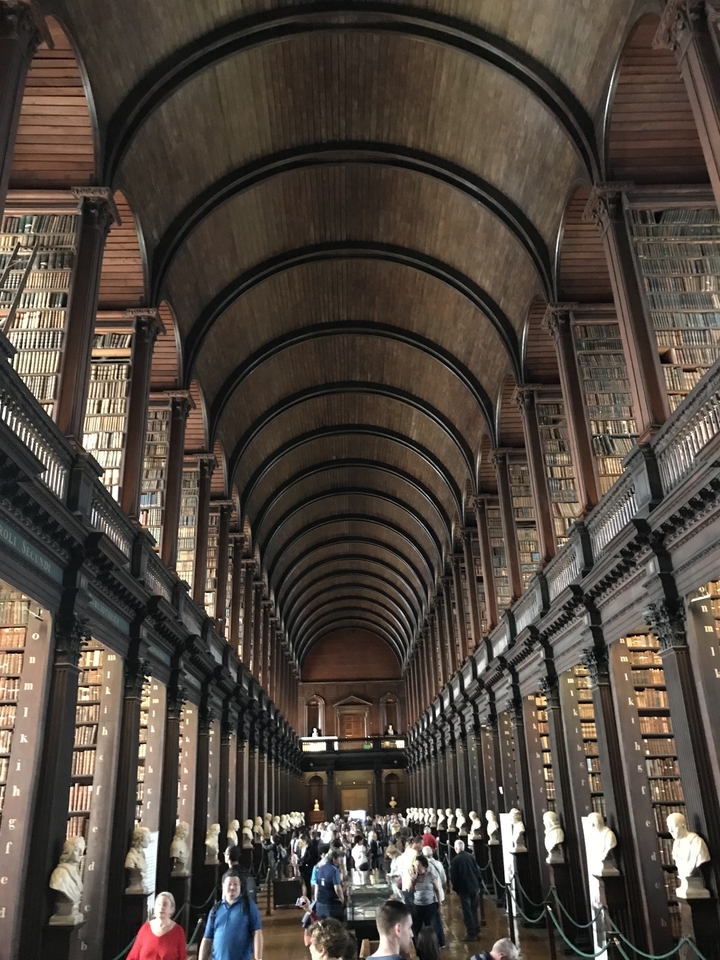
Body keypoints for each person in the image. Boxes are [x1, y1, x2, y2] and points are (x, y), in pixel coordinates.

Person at [198, 870, 263, 960]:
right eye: (229, 884)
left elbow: (257, 932)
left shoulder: (248, 906)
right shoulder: (215, 909)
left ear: (240, 886)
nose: (232, 887)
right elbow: (207, 938)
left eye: (235, 884)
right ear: (223, 886)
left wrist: (258, 958)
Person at [127, 891, 187, 960]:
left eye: (165, 904)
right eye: (159, 904)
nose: (161, 907)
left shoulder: (178, 931)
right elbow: (133, 956)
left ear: (171, 909)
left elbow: (182, 957)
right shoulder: (145, 929)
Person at [408, 855, 444, 948]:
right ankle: (417, 946)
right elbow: (409, 890)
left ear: (424, 866)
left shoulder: (431, 875)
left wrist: (439, 904)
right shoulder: (414, 877)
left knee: (431, 926)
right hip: (418, 905)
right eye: (415, 865)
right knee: (416, 927)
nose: (417, 868)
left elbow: (437, 890)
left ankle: (433, 945)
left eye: (419, 866)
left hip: (429, 905)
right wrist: (413, 880)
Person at [450, 838, 481, 942]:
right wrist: (479, 884)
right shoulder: (471, 857)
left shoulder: (455, 860)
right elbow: (477, 871)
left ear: (456, 848)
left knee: (467, 911)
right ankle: (476, 930)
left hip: (464, 889)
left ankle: (471, 933)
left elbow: (454, 877)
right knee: (474, 910)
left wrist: (456, 889)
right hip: (474, 887)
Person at [315, 849, 345, 920]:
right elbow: (337, 888)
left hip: (320, 904)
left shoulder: (320, 869)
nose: (341, 860)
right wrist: (342, 899)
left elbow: (317, 886)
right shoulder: (334, 870)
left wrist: (317, 900)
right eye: (340, 858)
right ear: (334, 859)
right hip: (331, 906)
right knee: (335, 928)